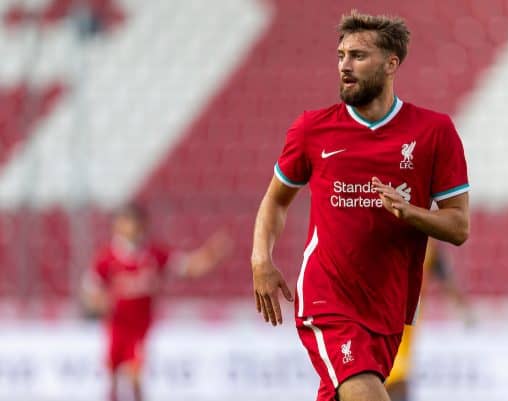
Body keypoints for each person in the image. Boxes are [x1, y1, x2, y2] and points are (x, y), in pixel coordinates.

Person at [251, 10, 470, 401]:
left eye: (358, 56)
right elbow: (275, 201)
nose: (344, 66)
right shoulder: (312, 129)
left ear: (391, 64)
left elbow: (458, 226)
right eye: (341, 55)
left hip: (388, 306)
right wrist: (260, 261)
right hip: (327, 298)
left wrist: (410, 213)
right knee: (368, 394)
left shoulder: (434, 132)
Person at [81, 203, 232, 401]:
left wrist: (211, 255)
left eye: (135, 223)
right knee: (113, 376)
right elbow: (90, 288)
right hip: (116, 326)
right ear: (117, 227)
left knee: (135, 377)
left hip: (140, 327)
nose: (131, 228)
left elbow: (188, 267)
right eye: (126, 223)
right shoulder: (107, 258)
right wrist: (100, 303)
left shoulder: (154, 254)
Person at [385, 240, 474, 401]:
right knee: (394, 373)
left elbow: (447, 279)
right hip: (393, 309)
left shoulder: (429, 247)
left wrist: (463, 310)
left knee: (396, 372)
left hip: (405, 312)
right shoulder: (427, 245)